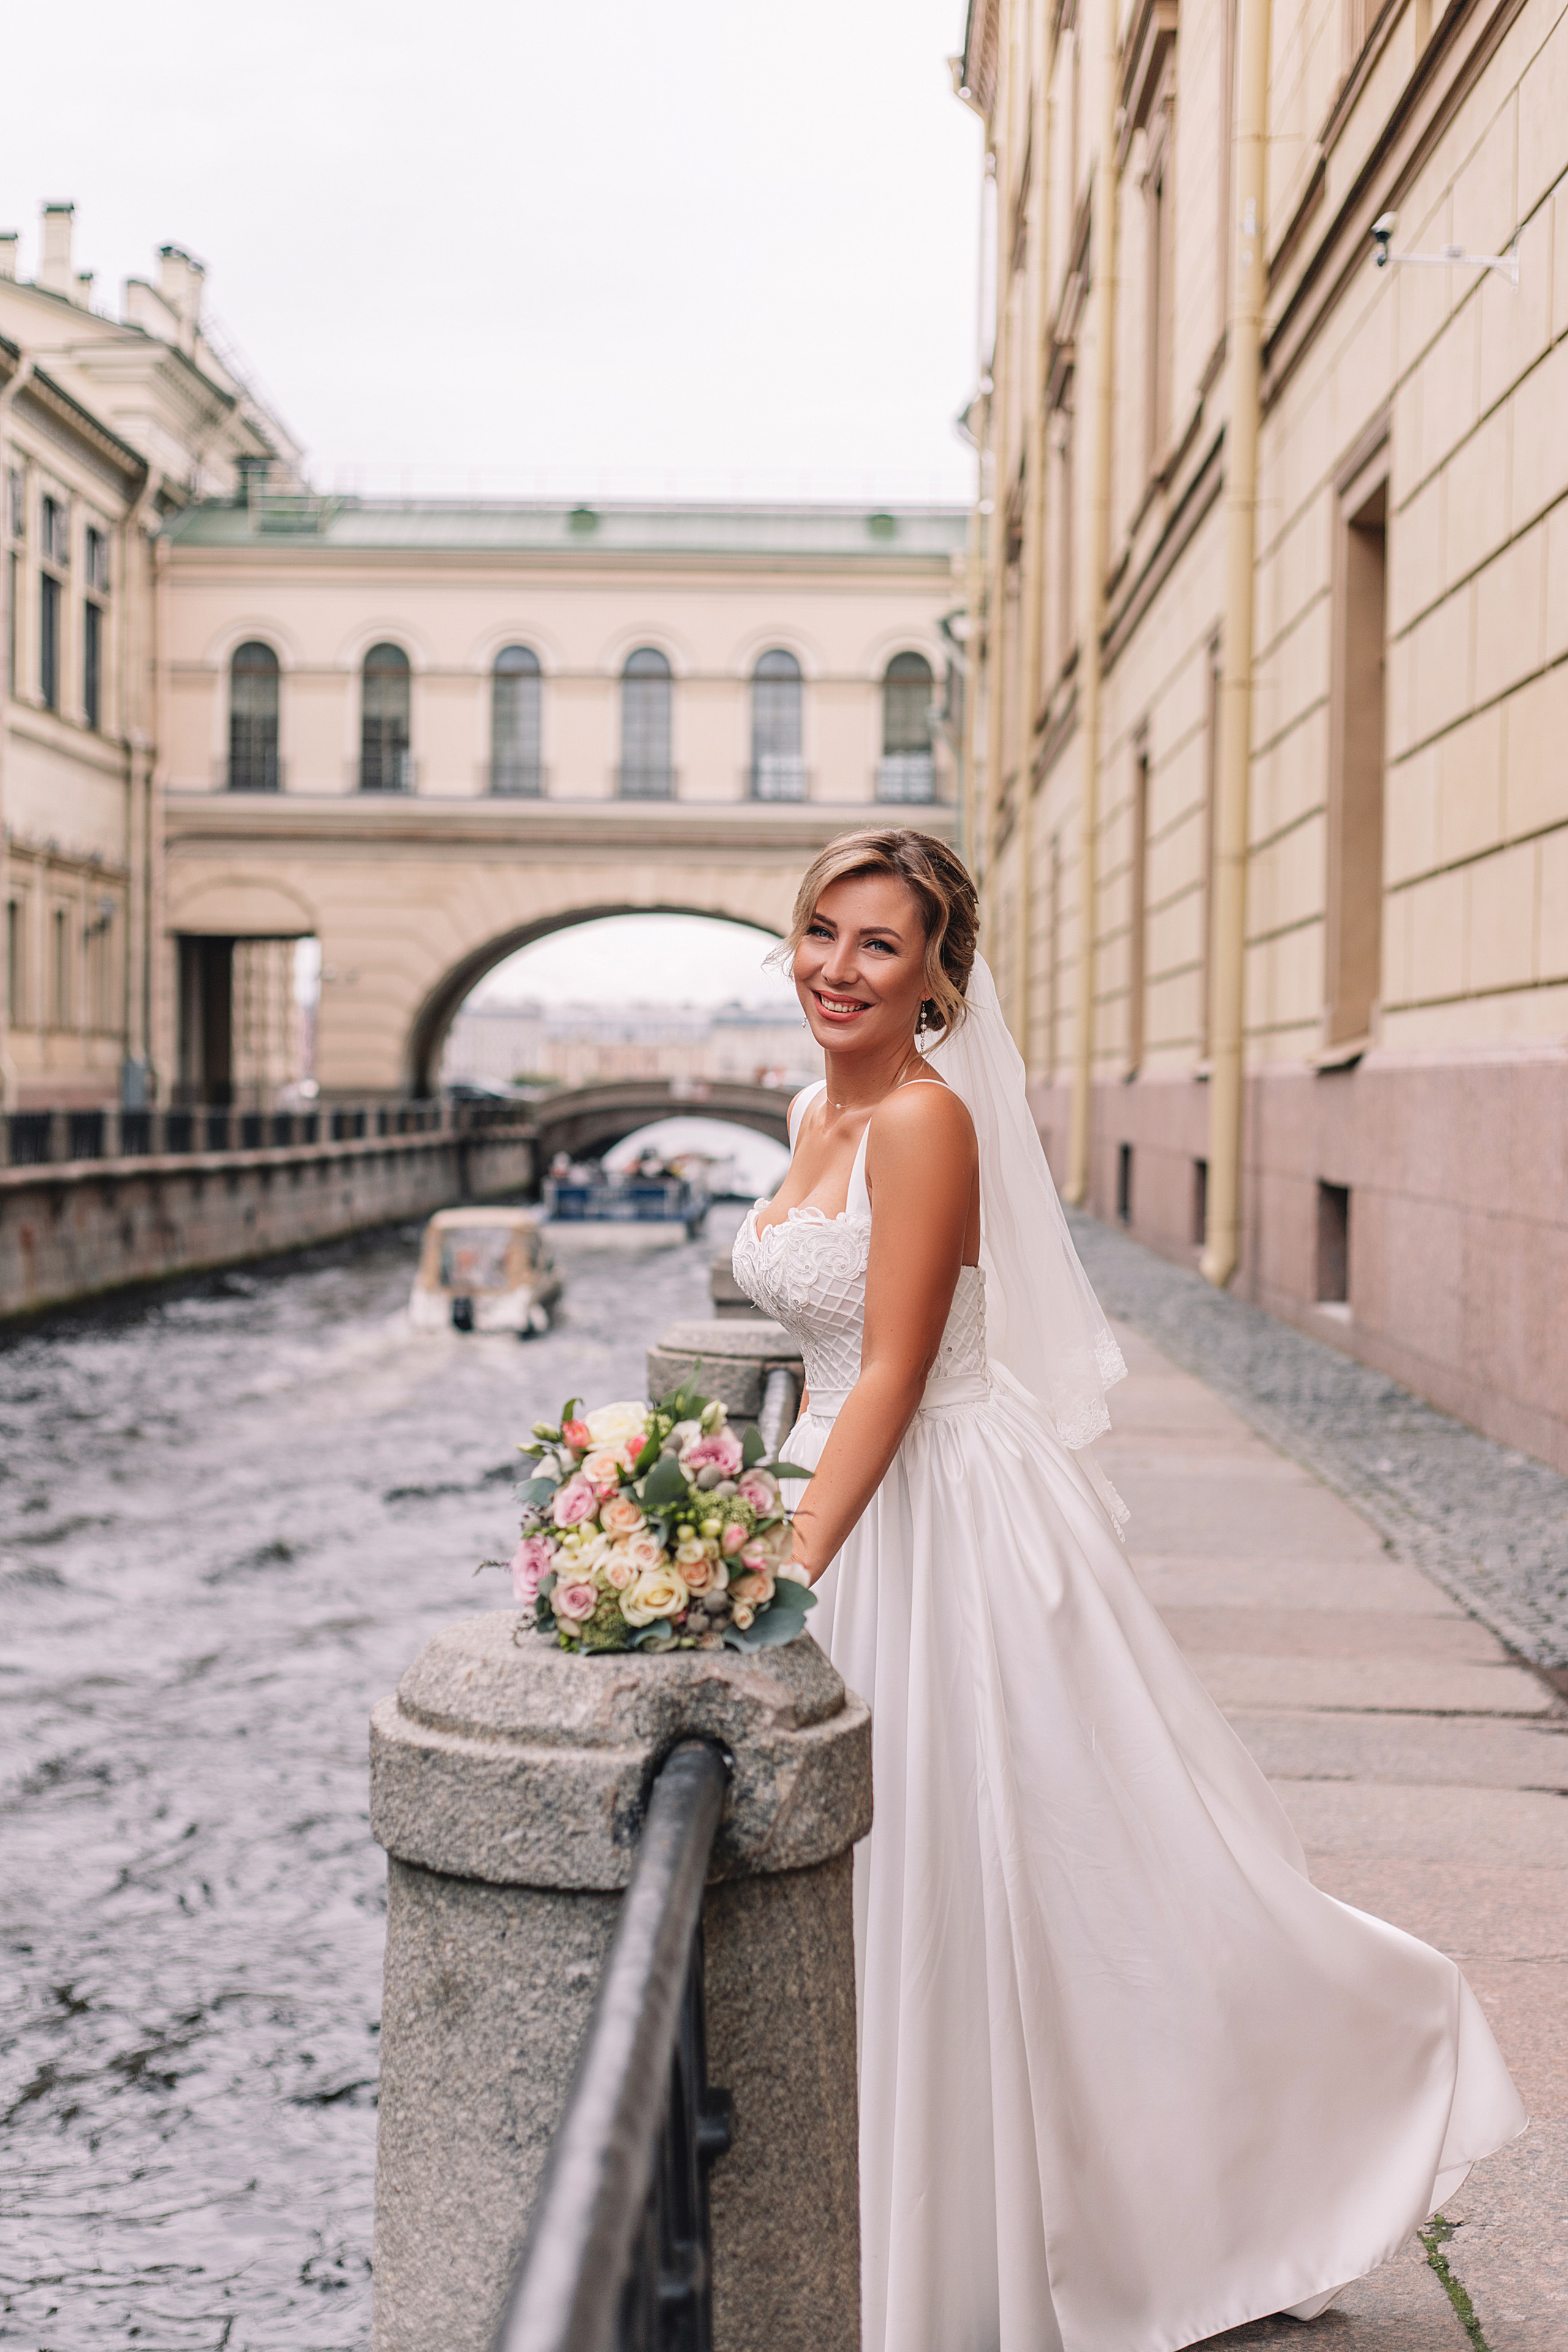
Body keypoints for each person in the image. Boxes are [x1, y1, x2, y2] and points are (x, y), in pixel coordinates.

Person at [730, 827, 1525, 2352]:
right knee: (915, 1871)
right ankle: (906, 2212)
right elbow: (825, 1364)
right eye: (820, 932)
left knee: (1036, 1867)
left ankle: (1334, 2090)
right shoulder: (810, 1106)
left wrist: (781, 1571)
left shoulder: (925, 1122)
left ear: (936, 979)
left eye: (879, 944)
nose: (837, 968)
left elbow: (891, 1373)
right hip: (833, 1486)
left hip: (933, 1508)